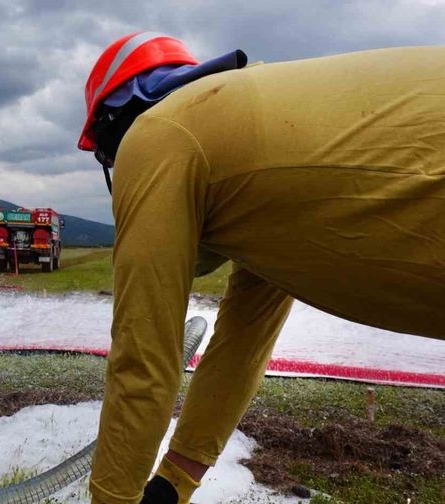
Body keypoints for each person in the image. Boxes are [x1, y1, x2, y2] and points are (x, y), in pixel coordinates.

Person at [78, 32, 444, 504]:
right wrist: (173, 484)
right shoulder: (258, 141)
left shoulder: (158, 133)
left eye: (110, 157)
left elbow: (142, 359)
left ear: (116, 123)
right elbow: (241, 344)